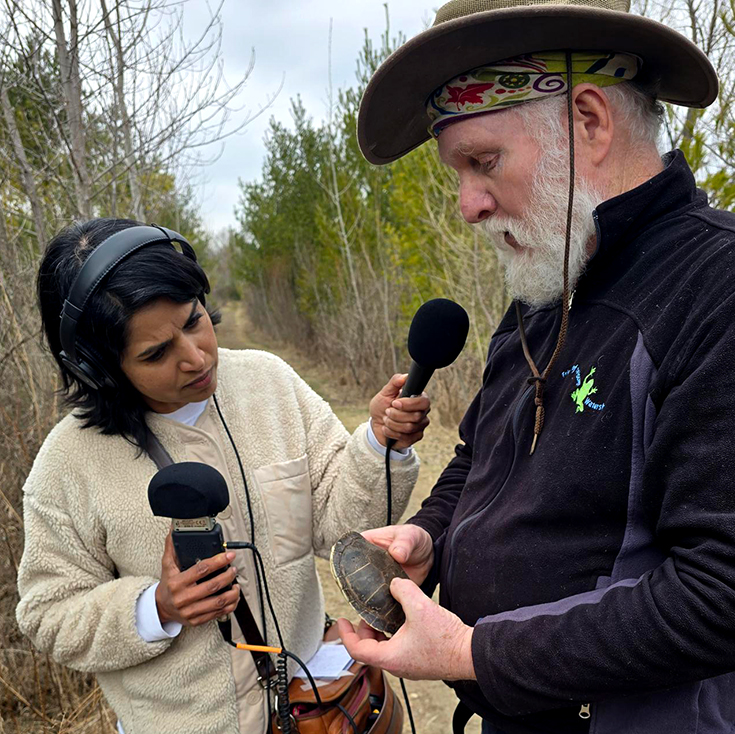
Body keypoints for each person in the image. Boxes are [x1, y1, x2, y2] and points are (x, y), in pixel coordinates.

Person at [338, 1, 735, 733]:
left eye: (482, 162)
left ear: (588, 119)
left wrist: (475, 651)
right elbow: (479, 458)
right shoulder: (545, 285)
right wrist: (430, 535)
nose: (466, 205)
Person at [15, 218, 431, 734]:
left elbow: (339, 524)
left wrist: (377, 444)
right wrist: (157, 606)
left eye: (193, 322)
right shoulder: (67, 463)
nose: (195, 358)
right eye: (155, 354)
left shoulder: (270, 383)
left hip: (308, 711)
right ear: (98, 369)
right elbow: (47, 613)